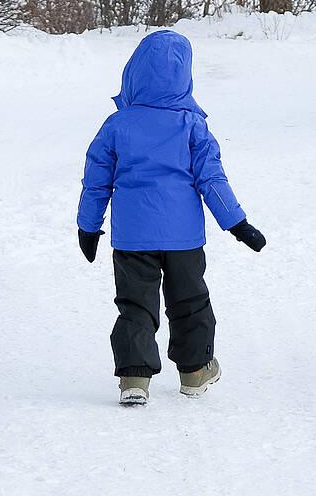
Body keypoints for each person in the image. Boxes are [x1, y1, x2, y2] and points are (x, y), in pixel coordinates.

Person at [77, 30, 267, 406]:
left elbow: (96, 182)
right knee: (190, 301)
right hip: (184, 239)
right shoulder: (192, 125)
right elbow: (212, 180)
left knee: (135, 304)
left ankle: (134, 377)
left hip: (133, 239)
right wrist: (237, 224)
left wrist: (88, 226)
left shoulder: (117, 125)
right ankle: (195, 372)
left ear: (133, 72)